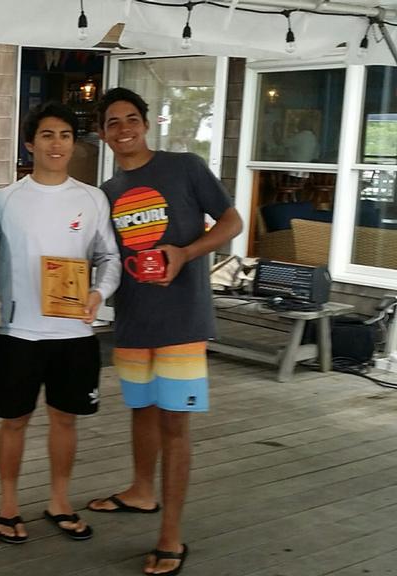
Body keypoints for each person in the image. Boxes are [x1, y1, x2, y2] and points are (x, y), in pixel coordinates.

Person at [89, 87, 242, 576]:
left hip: (181, 319)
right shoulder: (108, 193)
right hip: (134, 320)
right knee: (142, 411)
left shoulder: (185, 167)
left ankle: (171, 536)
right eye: (113, 122)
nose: (123, 129)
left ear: (146, 122)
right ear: (103, 133)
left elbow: (232, 221)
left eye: (131, 118)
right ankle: (140, 490)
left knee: (175, 423)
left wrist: (186, 253)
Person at [0, 100, 120, 544]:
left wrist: (99, 292)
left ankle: (59, 501)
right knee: (14, 422)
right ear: (30, 143)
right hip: (18, 332)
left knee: (66, 420)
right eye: (47, 135)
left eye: (65, 135)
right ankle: (7, 507)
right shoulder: (5, 199)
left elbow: (108, 258)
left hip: (74, 333)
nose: (57, 143)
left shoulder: (92, 198)